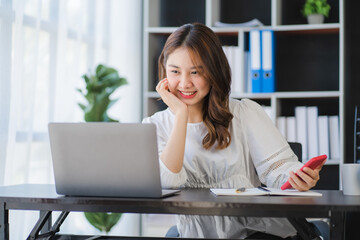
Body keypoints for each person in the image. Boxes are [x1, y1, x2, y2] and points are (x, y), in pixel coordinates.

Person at [142, 23, 325, 239]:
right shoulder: (155, 125)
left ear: (213, 72)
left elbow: (278, 168)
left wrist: (298, 177)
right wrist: (181, 115)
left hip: (255, 230)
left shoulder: (243, 112)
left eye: (195, 72)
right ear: (164, 72)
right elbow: (168, 182)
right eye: (175, 72)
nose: (184, 83)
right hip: (196, 233)